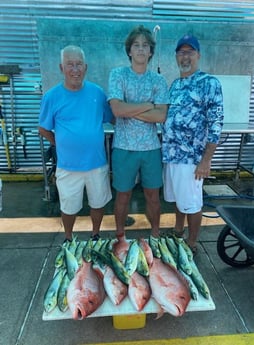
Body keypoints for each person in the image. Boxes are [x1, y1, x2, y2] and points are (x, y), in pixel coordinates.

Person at [39, 45, 113, 242]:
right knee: (68, 206)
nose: (75, 69)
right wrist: (59, 144)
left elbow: (112, 118)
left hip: (96, 163)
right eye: (69, 64)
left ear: (86, 67)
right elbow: (43, 128)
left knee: (98, 203)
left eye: (79, 64)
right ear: (61, 68)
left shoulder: (98, 93)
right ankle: (69, 237)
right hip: (68, 166)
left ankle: (95, 234)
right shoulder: (52, 97)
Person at [162, 34, 224, 254]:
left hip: (191, 158)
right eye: (181, 52)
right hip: (171, 155)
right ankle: (178, 231)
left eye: (190, 52)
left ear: (198, 55)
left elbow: (216, 123)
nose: (185, 56)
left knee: (192, 202)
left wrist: (206, 160)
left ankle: (192, 242)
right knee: (179, 198)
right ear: (176, 56)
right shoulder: (175, 85)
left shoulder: (209, 83)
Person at [108, 25, 169, 240]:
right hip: (124, 147)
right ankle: (120, 236)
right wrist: (147, 105)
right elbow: (117, 110)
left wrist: (129, 108)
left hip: (151, 148)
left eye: (145, 46)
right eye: (136, 45)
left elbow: (161, 116)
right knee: (122, 195)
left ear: (151, 51)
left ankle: (155, 234)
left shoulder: (159, 81)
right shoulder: (118, 75)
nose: (141, 50)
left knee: (153, 195)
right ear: (129, 51)